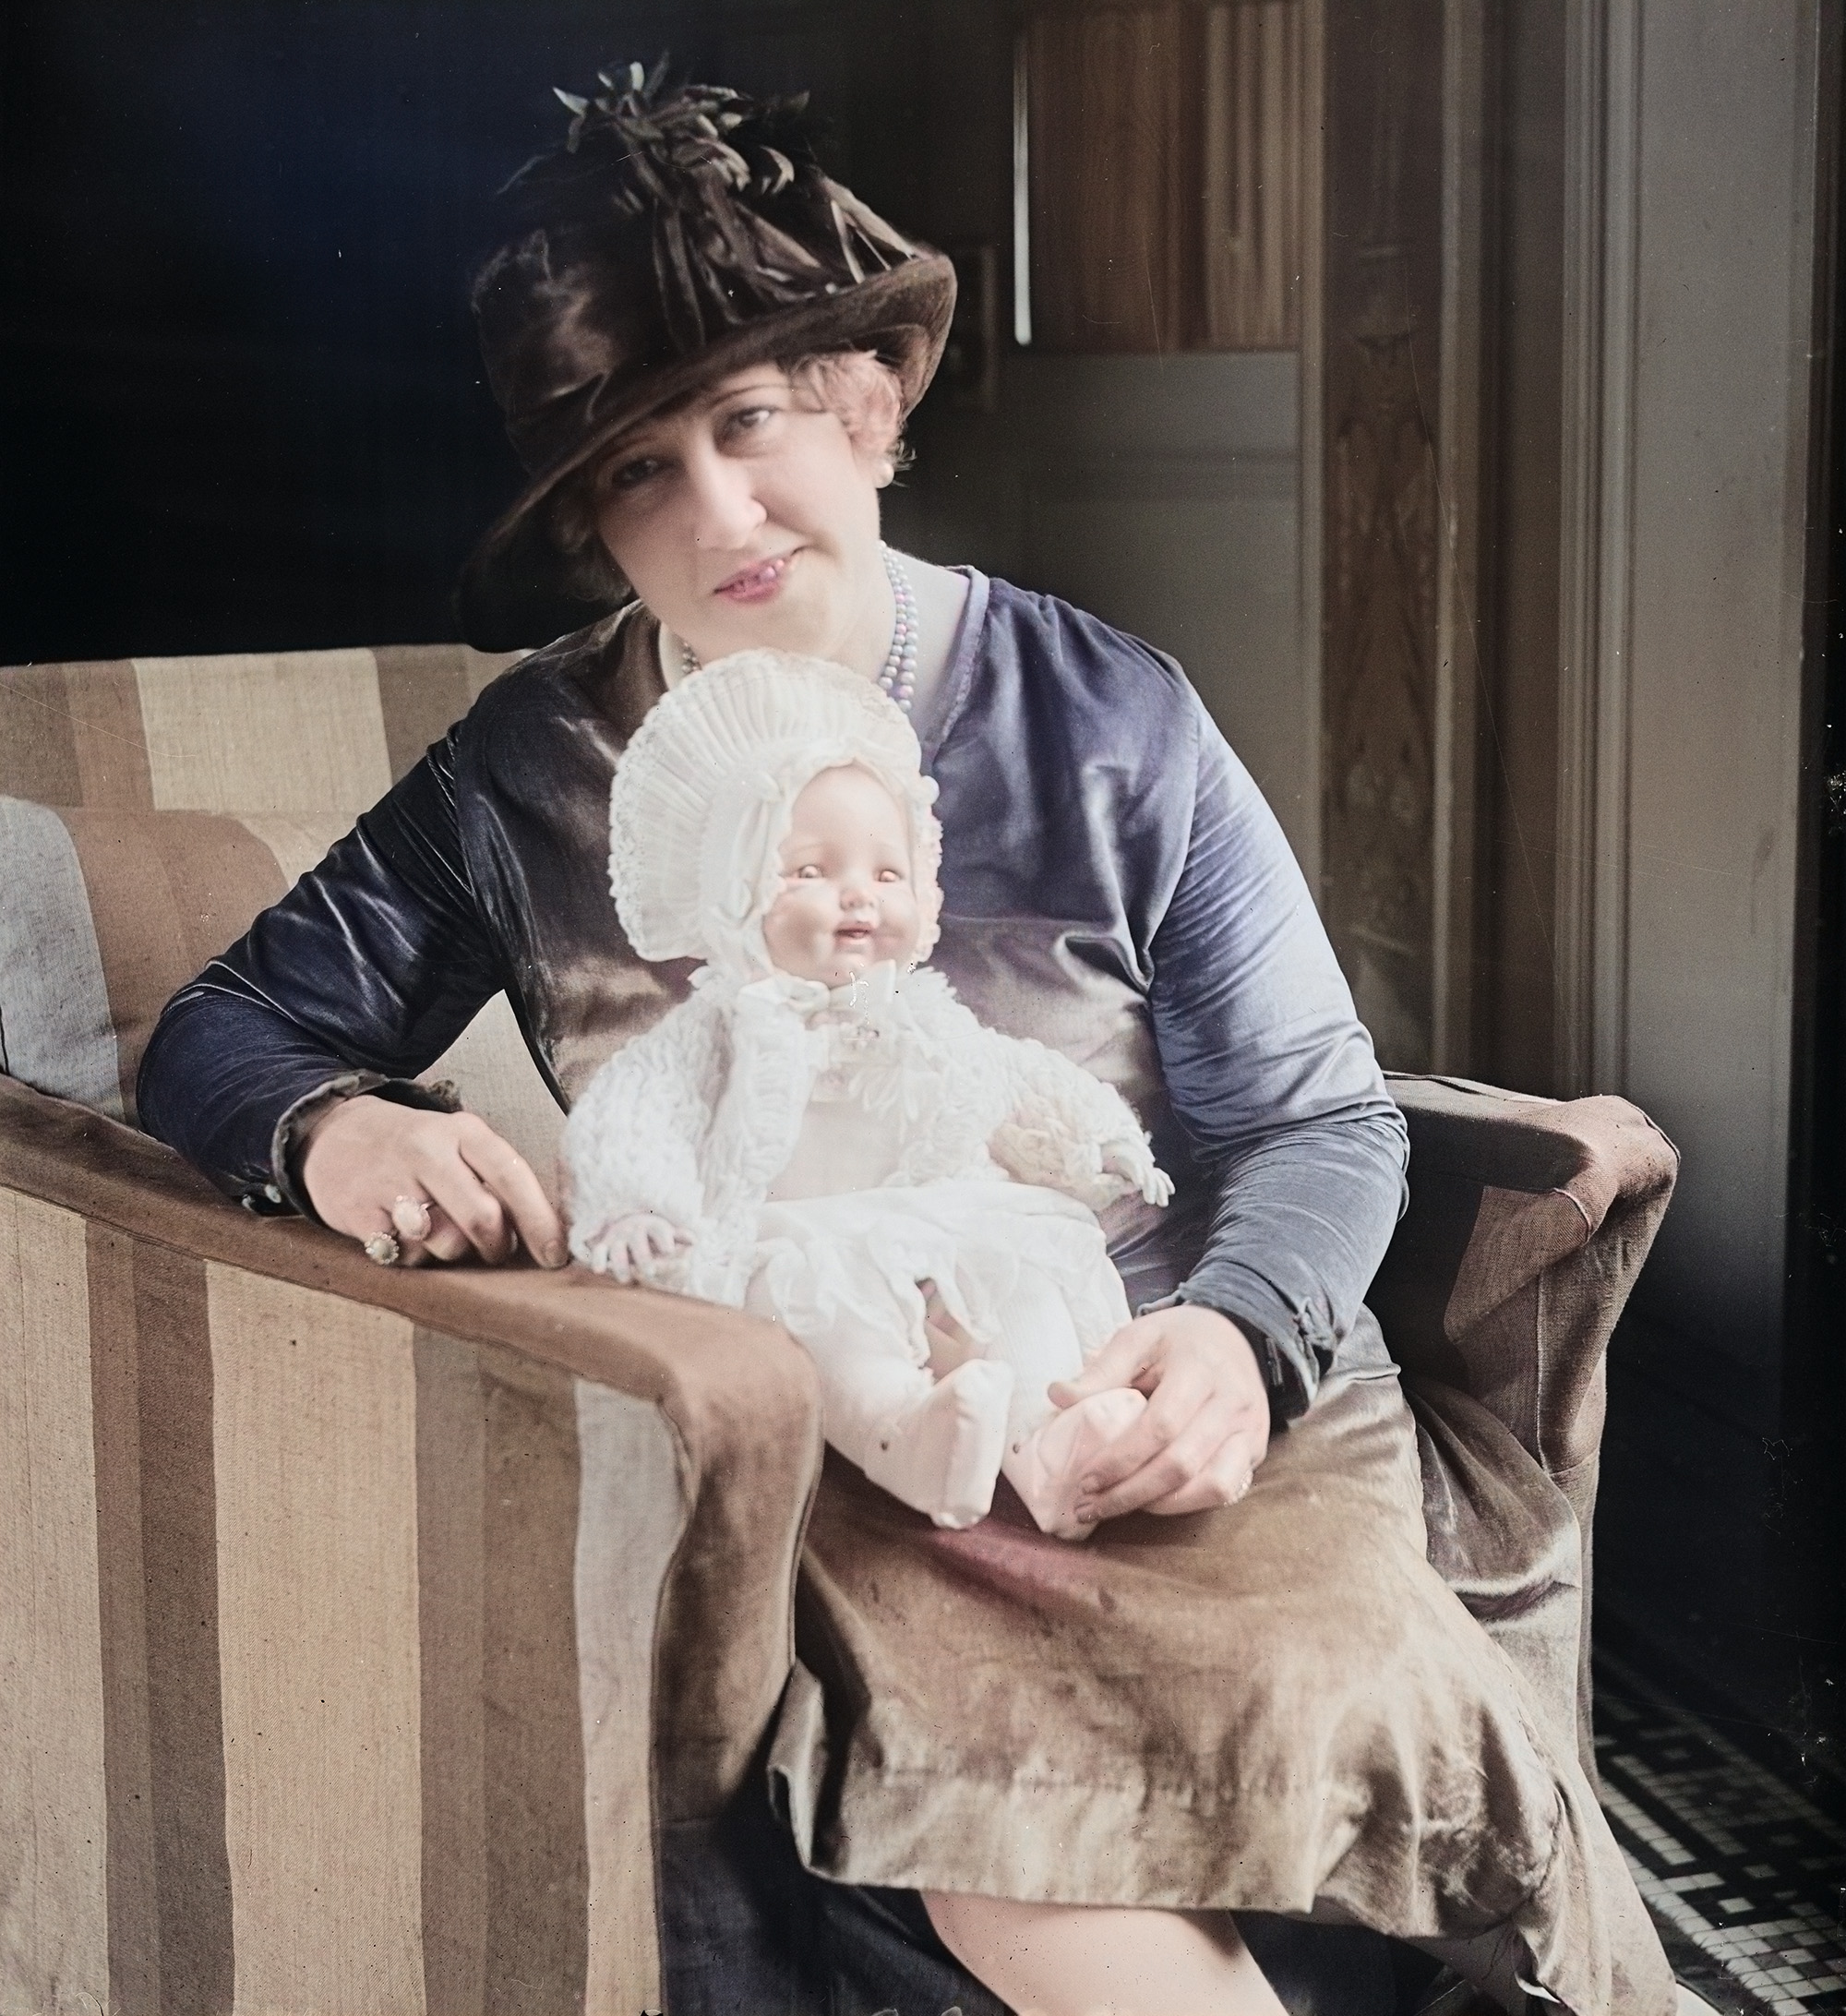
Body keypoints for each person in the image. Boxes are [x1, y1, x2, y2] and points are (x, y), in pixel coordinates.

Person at [138, 64, 1682, 2014]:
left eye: (752, 421)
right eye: (635, 471)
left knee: (1334, 1744)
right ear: (586, 527)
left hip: (1159, 1378)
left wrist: (1225, 1341)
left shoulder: (1109, 716)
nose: (718, 512)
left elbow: (1310, 1116)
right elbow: (224, 1028)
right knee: (1011, 1865)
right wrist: (332, 1126)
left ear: (863, 409)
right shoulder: (524, 772)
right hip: (846, 1441)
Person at [566, 649, 1169, 1540]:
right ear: (737, 890)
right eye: (811, 870)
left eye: (886, 874)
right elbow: (635, 1112)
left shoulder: (925, 1016)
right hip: (800, 1234)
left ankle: (1053, 1441)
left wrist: (1096, 1139)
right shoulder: (725, 1028)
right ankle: (905, 1433)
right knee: (824, 1323)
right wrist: (638, 1207)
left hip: (942, 1225)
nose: (858, 895)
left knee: (1025, 1286)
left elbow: (1010, 1078)